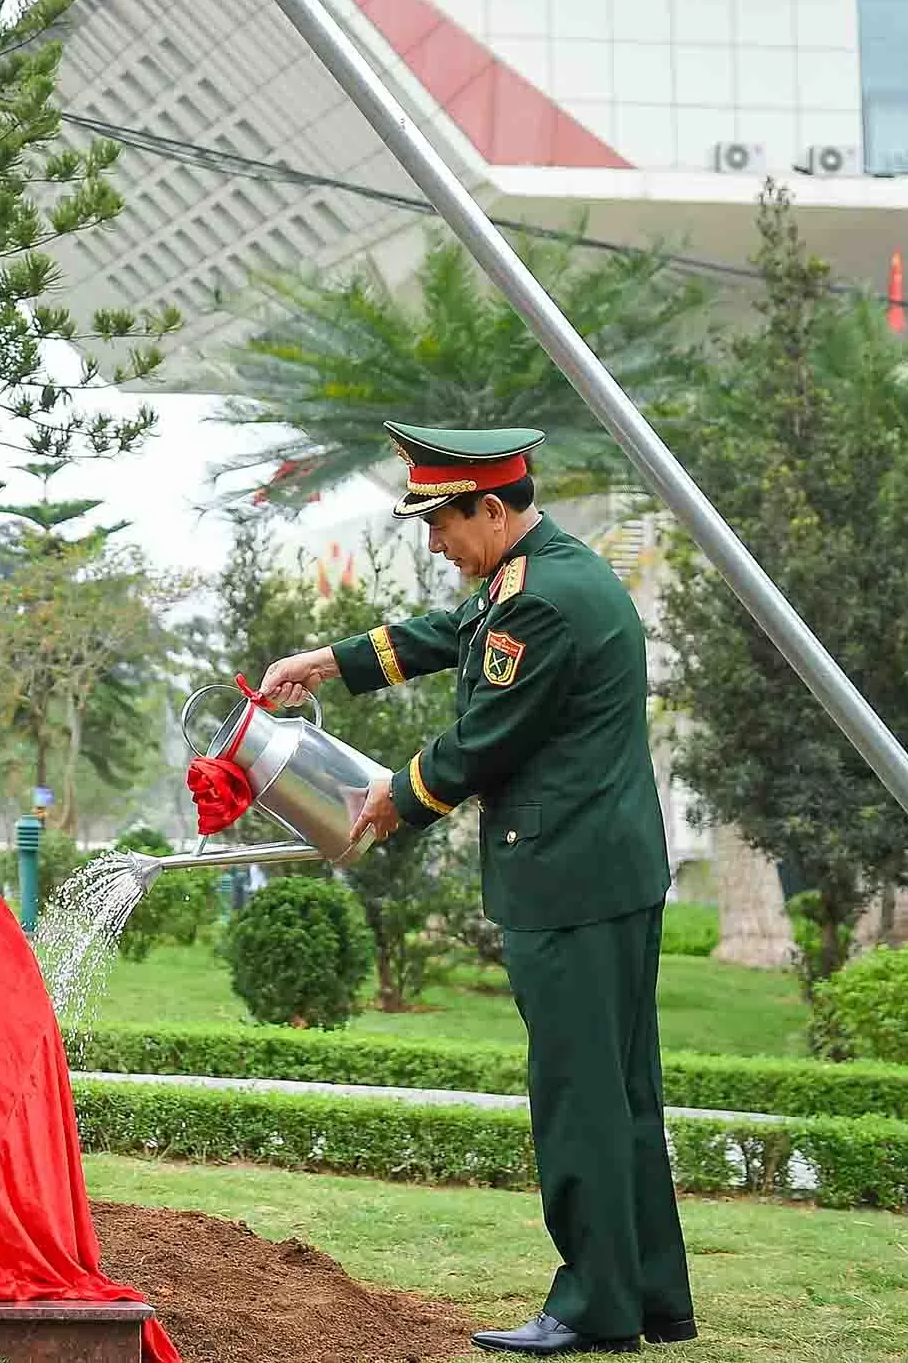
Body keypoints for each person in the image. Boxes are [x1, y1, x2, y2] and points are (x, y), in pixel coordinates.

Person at [230, 424, 693, 1357]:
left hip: (566, 881)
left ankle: (595, 1305)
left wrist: (389, 800)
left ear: (491, 507)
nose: (434, 543)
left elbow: (485, 736)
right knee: (622, 1089)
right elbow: (461, 634)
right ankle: (648, 1295)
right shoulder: (544, 576)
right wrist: (335, 659)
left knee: (579, 1095)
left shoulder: (543, 606)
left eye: (441, 524)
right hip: (607, 872)